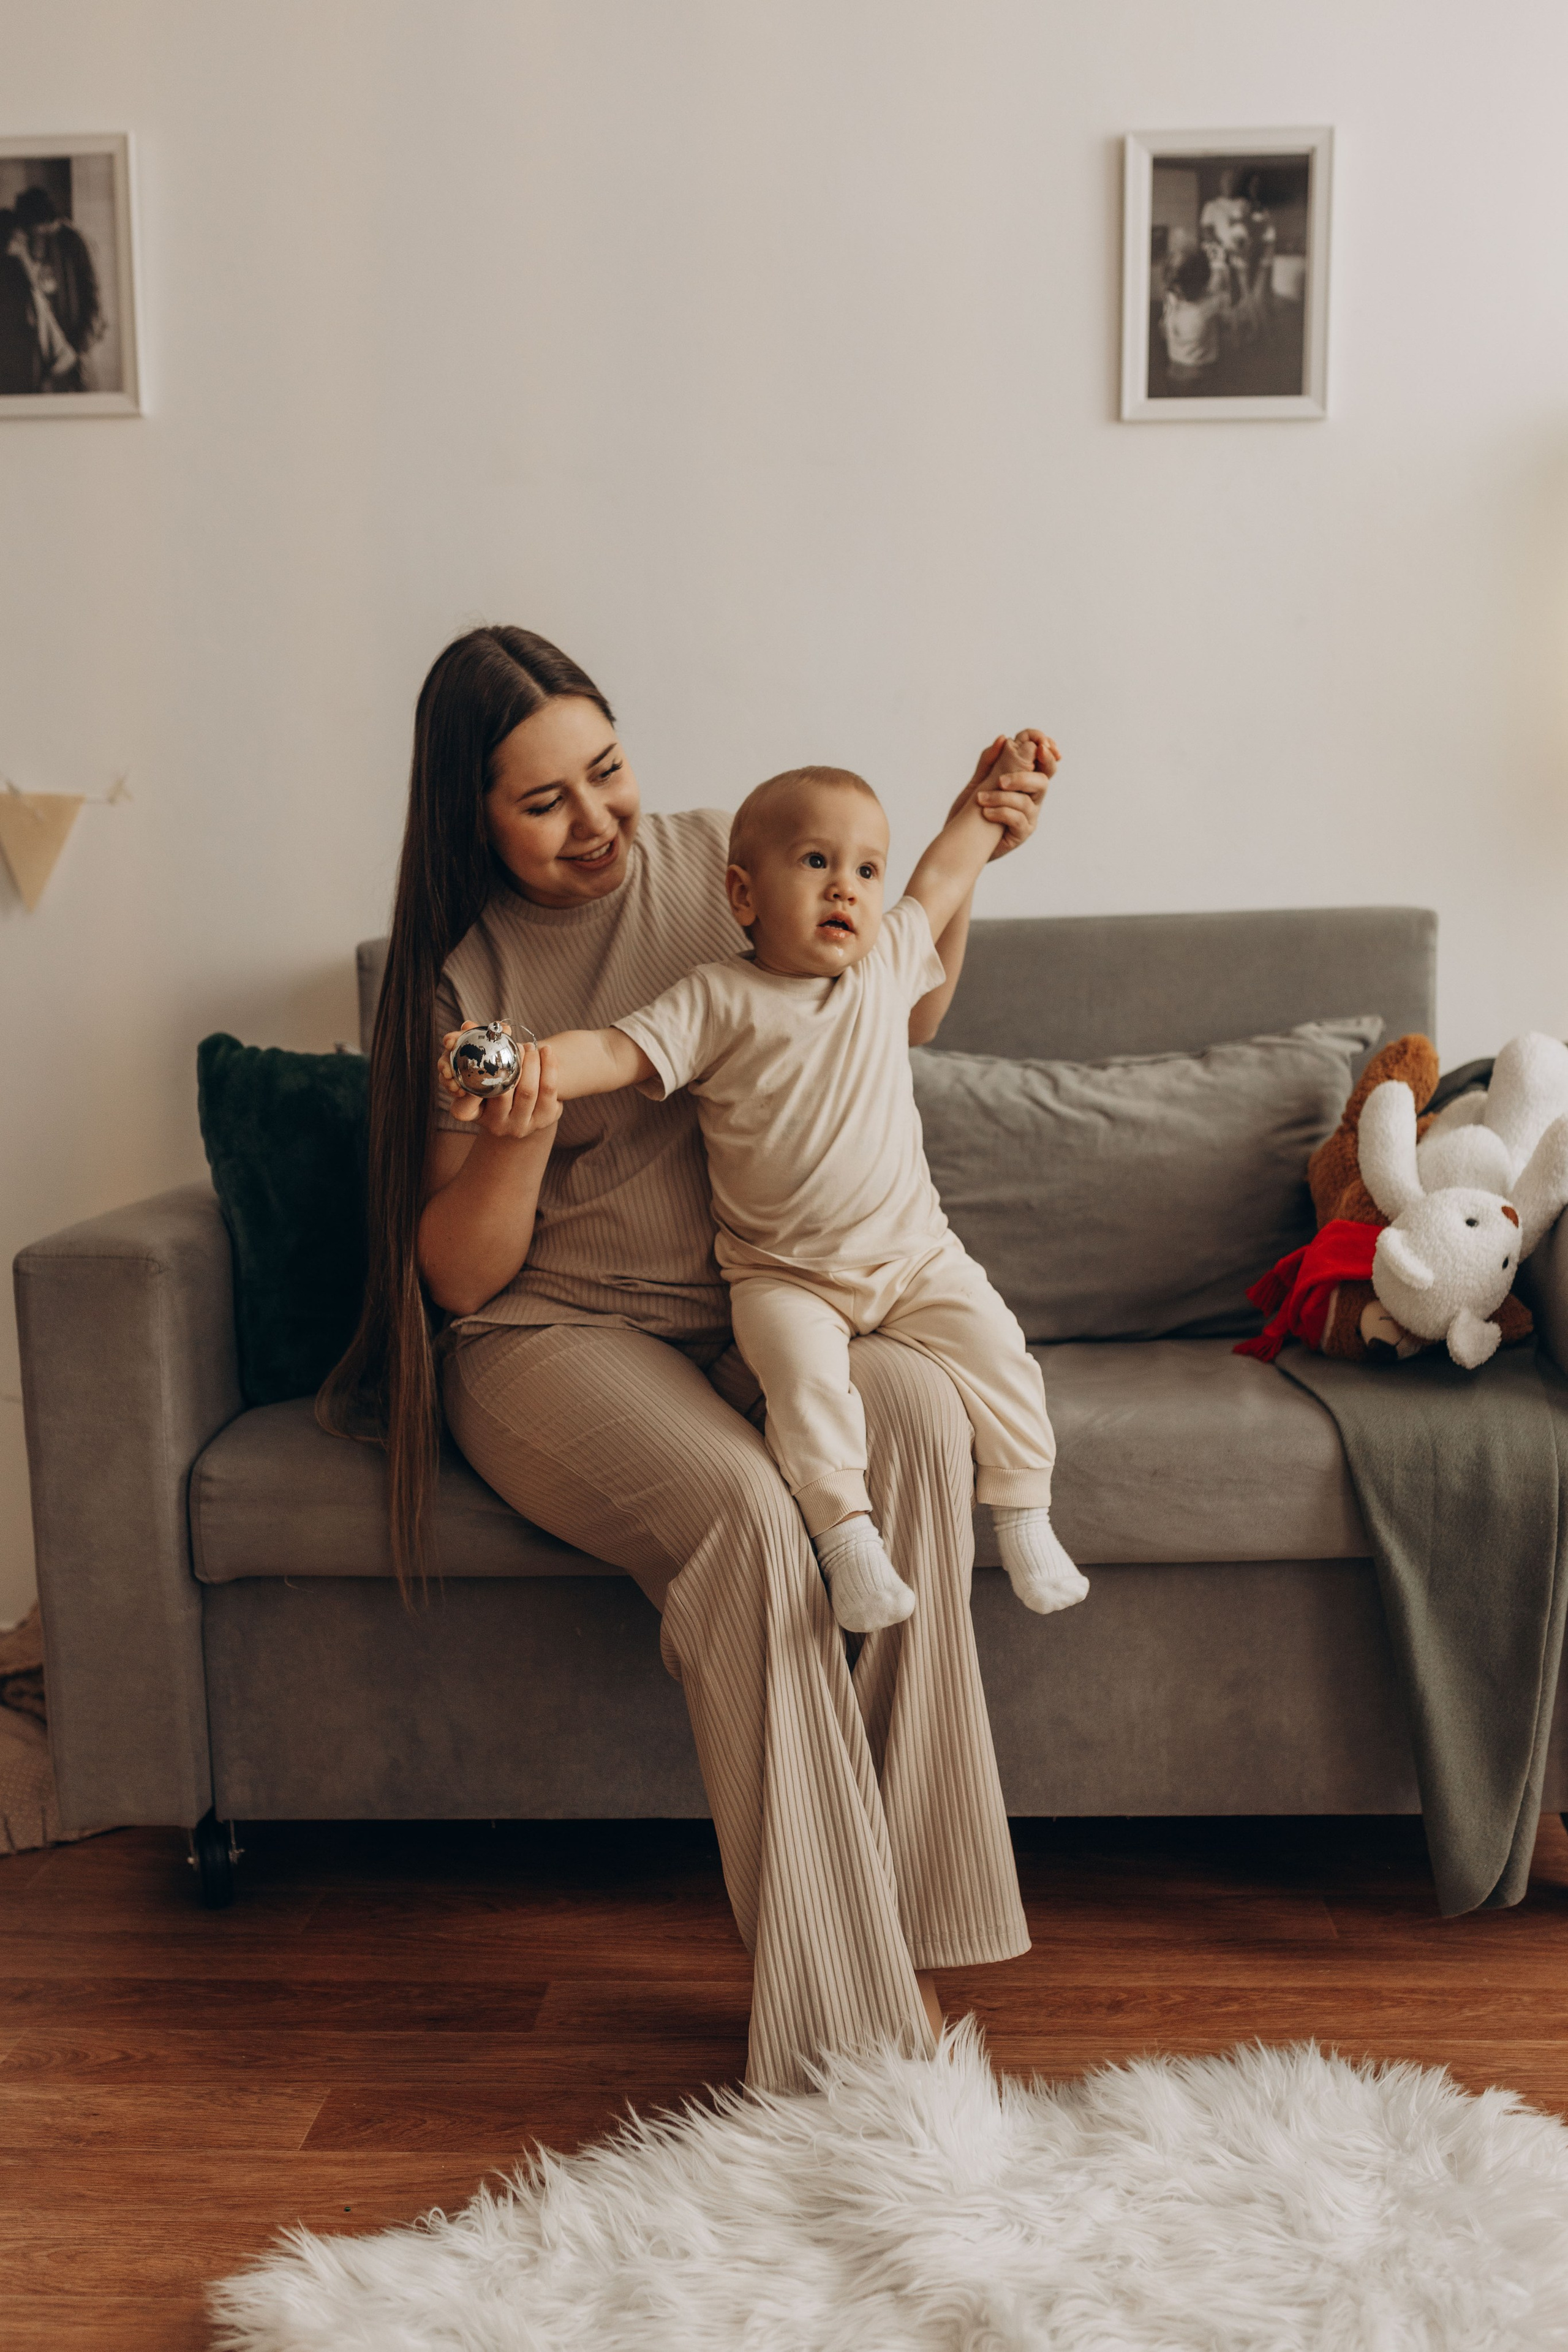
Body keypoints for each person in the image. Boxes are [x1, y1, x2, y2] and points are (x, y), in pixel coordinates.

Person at [322, 627, 1052, 2093]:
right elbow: (458, 1275)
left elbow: (893, 1011)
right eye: (544, 803)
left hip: (759, 1306)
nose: (596, 820)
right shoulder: (460, 980)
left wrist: (968, 856)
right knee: (748, 1516)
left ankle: (906, 1929)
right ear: (471, 816)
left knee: (916, 1408)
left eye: (605, 771)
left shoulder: (735, 856)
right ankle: (846, 2035)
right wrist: (519, 1136)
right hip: (554, 1337)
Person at [441, 761, 1085, 1638]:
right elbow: (616, 1053)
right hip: (784, 1278)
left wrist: (994, 796)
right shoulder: (718, 998)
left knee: (1002, 1357)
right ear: (743, 894)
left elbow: (943, 872)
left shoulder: (887, 962)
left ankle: (1026, 1520)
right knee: (805, 1391)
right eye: (817, 862)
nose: (846, 888)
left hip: (916, 1261)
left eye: (866, 870)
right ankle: (849, 1545)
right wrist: (521, 1064)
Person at [13, 187, 102, 391]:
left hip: (75, 355)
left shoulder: (75, 243)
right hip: (46, 359)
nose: (35, 240)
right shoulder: (26, 246)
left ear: (48, 224)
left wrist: (76, 352)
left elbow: (95, 306)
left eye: (39, 233)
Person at [1159, 246, 1228, 387]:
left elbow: (1163, 331)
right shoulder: (1212, 304)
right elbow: (1223, 289)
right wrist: (1219, 264)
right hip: (1201, 375)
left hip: (1173, 371)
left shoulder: (1171, 300)